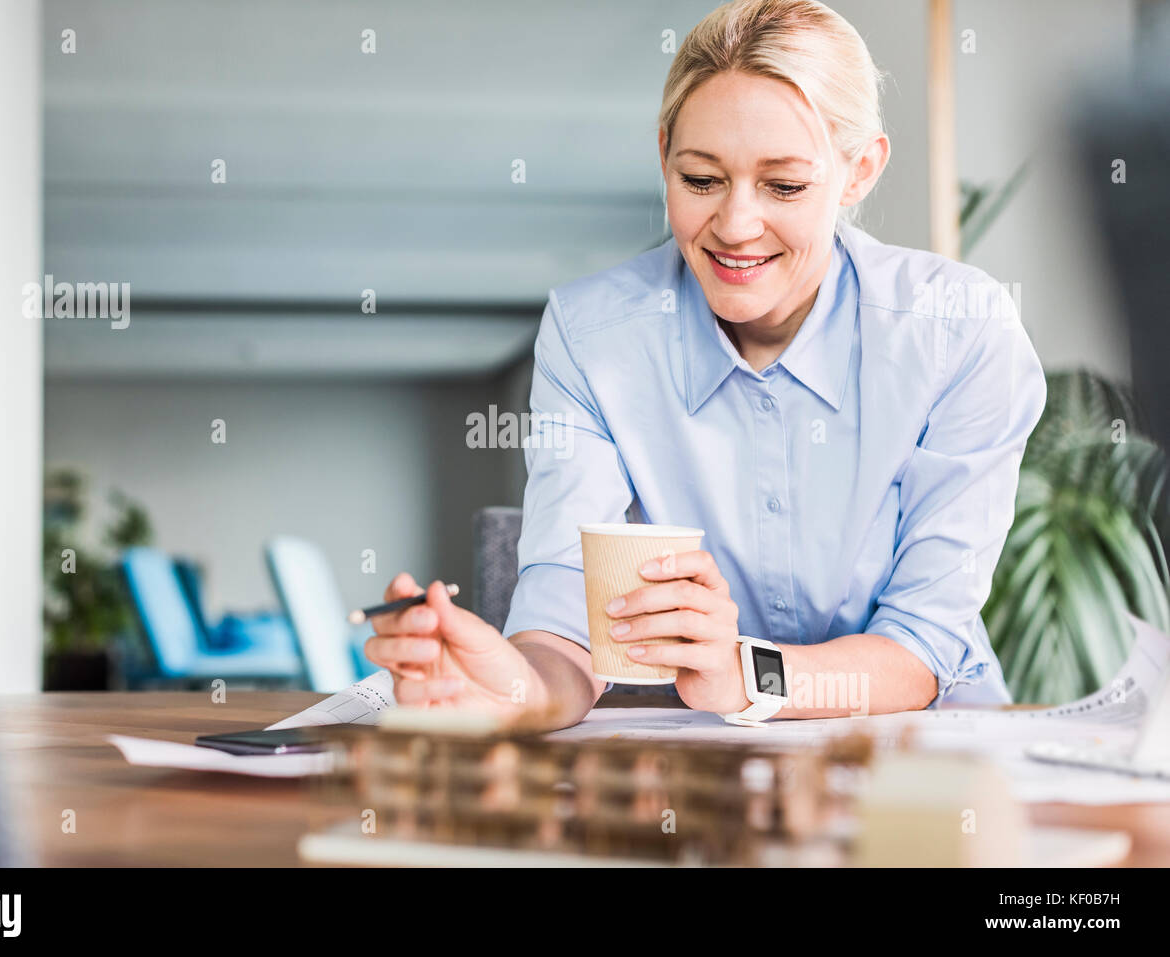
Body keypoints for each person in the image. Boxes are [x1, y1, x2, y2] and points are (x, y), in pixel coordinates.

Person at [365, 0, 1046, 731]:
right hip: (711, 771)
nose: (735, 226)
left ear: (860, 170)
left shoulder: (958, 333)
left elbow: (920, 646)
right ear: (664, 154)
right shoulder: (593, 336)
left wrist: (745, 673)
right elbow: (565, 615)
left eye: (783, 185)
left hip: (925, 767)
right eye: (700, 179)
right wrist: (514, 687)